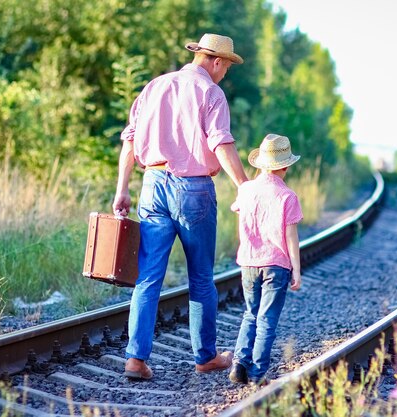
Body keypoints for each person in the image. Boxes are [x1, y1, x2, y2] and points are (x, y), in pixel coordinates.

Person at [112, 33, 249, 380]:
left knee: (148, 277)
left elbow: (129, 141)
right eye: (226, 67)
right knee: (201, 278)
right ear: (216, 62)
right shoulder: (211, 93)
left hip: (152, 186)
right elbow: (220, 143)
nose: (224, 74)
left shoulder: (154, 87)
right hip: (193, 190)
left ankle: (135, 360)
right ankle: (205, 357)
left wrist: (121, 189)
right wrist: (245, 188)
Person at [228, 133, 303, 385]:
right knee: (267, 320)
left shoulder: (246, 189)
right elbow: (291, 236)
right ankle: (258, 373)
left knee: (250, 314)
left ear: (260, 163)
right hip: (276, 264)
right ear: (285, 166)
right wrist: (297, 269)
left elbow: (242, 218)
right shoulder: (287, 196)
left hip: (248, 262)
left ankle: (239, 364)